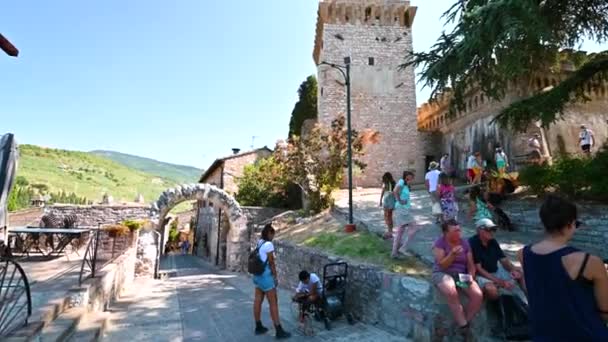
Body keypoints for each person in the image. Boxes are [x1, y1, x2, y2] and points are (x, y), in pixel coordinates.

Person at [518, 195, 608, 341]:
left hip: (544, 334)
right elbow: (605, 311)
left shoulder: (523, 254)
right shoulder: (590, 262)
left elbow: (536, 291)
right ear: (569, 224)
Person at [432, 219, 483, 333]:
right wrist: (452, 254)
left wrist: (470, 276)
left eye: (459, 230)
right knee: (451, 290)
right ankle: (464, 327)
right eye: (455, 231)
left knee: (477, 295)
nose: (459, 233)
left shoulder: (464, 243)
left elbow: (471, 264)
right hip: (442, 273)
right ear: (446, 233)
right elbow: (442, 265)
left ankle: (464, 323)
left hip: (460, 275)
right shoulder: (440, 243)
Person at [469, 218, 524, 301]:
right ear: (480, 230)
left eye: (494, 229)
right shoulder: (473, 243)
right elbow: (479, 269)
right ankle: (497, 305)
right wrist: (500, 282)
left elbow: (504, 260)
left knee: (522, 273)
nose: (492, 232)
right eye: (489, 229)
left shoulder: (492, 241)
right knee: (491, 289)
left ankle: (530, 300)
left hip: (496, 270)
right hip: (482, 275)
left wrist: (513, 270)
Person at [252, 224, 291, 339]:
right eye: (273, 234)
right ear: (269, 233)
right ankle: (279, 330)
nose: (273, 237)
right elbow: (272, 263)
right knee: (273, 303)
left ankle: (258, 326)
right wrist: (275, 277)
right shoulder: (268, 244)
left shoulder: (260, 242)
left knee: (257, 300)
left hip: (257, 276)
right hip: (266, 277)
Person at [392, 171, 415, 258]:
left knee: (400, 231)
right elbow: (395, 191)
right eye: (411, 177)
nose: (412, 180)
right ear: (407, 176)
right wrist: (400, 201)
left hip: (404, 210)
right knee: (414, 227)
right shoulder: (401, 181)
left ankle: (394, 252)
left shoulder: (405, 185)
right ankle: (403, 248)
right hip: (402, 210)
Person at [379, 172, 396, 240]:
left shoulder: (392, 183)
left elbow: (393, 192)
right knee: (387, 216)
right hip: (388, 201)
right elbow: (383, 192)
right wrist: (380, 200)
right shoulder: (387, 183)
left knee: (388, 216)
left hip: (389, 201)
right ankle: (390, 230)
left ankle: (390, 231)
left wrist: (381, 200)